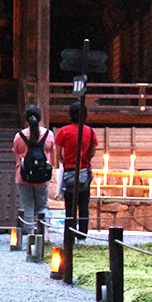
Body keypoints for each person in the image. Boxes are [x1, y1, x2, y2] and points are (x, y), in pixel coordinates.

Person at [53, 101, 97, 238]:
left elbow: (58, 152)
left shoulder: (64, 131)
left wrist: (64, 162)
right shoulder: (90, 131)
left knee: (70, 207)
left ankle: (69, 235)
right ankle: (82, 236)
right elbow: (93, 151)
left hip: (69, 171)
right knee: (84, 206)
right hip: (84, 170)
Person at [13, 105, 55, 234]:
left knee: (28, 206)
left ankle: (30, 233)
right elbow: (51, 157)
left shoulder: (19, 136)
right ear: (40, 118)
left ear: (26, 119)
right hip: (42, 175)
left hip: (24, 175)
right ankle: (44, 233)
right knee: (42, 206)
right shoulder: (49, 135)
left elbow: (17, 157)